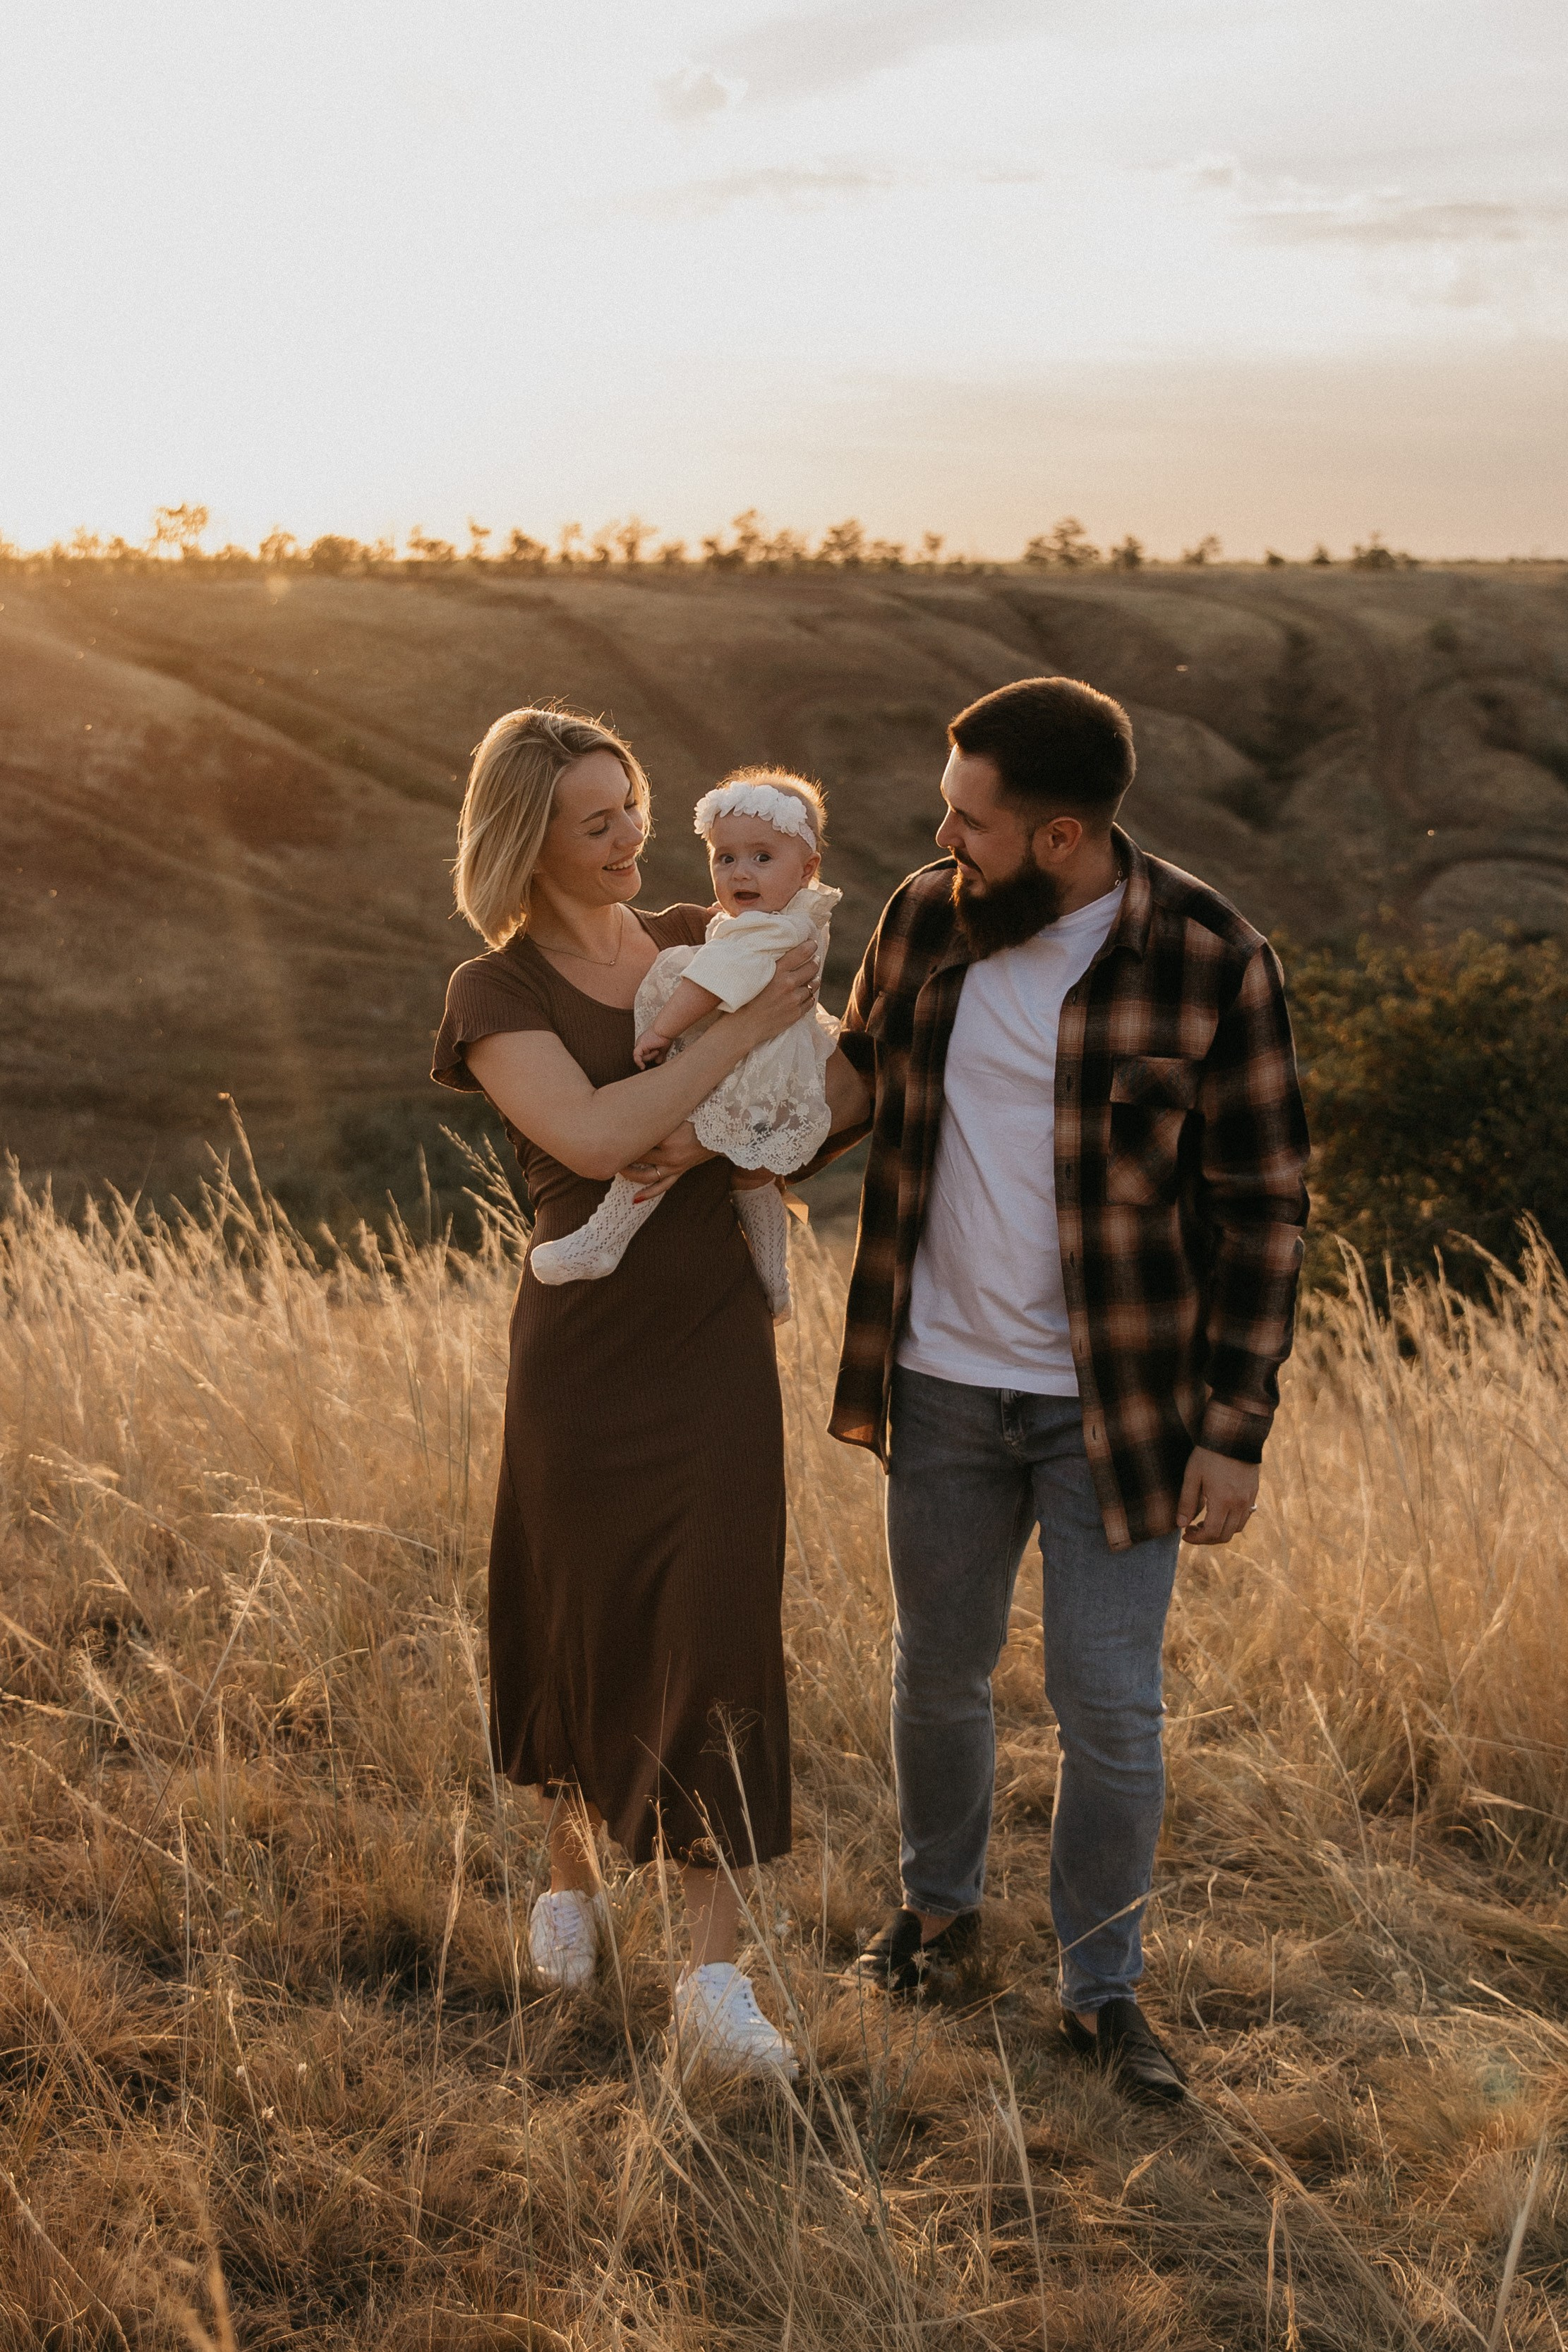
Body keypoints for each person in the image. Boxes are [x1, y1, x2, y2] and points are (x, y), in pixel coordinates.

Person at [817, 675, 1310, 2104]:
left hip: (1123, 1408)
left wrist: (1235, 1430)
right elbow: (854, 1078)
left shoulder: (1211, 957)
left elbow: (1266, 1209)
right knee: (936, 1667)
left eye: (968, 820)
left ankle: (1101, 1993)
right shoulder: (925, 916)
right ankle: (935, 1918)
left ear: (1060, 837)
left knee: (1108, 1705)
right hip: (941, 1380)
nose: (941, 837)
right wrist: (713, 1120)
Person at [431, 706, 837, 2080]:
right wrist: (741, 1038)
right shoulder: (494, 992)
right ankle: (569, 1875)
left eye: (634, 807)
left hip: (712, 1338)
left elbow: (834, 1086)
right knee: (582, 1609)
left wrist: (739, 1118)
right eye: (596, 820)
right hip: (581, 1354)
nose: (632, 838)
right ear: (525, 840)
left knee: (718, 1626)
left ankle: (712, 1981)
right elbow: (597, 1133)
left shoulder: (701, 929)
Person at [529, 768, 840, 1322]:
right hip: (780, 1080)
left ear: (807, 868)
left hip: (745, 1076)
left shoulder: (759, 932)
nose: (740, 872)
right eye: (725, 858)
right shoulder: (795, 917)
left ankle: (604, 1237)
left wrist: (663, 1030)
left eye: (762, 858)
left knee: (655, 1142)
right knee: (754, 1178)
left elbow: (712, 980)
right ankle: (775, 1280)